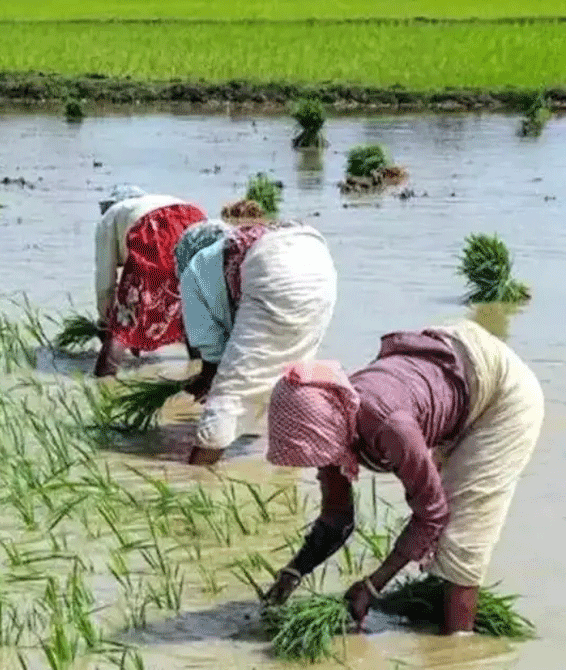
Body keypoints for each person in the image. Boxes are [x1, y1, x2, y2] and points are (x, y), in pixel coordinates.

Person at [262, 320, 543, 635]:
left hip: (502, 393)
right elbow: (337, 517)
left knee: (461, 538)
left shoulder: (389, 426)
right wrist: (293, 572)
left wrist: (372, 585)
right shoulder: (333, 419)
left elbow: (432, 514)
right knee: (443, 535)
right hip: (452, 363)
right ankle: (435, 625)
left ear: (328, 429)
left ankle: (459, 650)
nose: (319, 462)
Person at [176, 219, 337, 465]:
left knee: (229, 393)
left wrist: (206, 380)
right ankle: (290, 472)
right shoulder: (230, 248)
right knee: (292, 377)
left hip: (272, 266)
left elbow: (212, 352)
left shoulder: (194, 269)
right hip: (318, 259)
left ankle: (195, 476)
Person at [93, 186, 207, 377]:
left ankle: (103, 381)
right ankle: (200, 373)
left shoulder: (110, 217)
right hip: (196, 221)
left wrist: (105, 322)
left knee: (124, 320)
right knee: (190, 308)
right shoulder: (159, 200)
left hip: (154, 227)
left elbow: (105, 281)